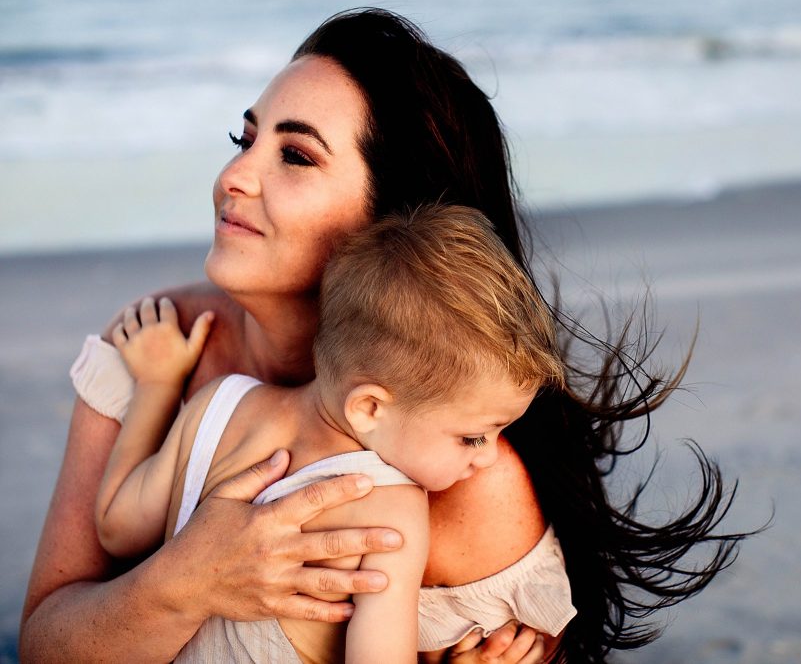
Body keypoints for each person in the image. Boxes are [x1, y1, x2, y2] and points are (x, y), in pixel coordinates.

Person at [21, 9, 745, 664]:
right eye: (245, 138)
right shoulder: (159, 344)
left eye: (295, 155)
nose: (234, 176)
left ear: (393, 221)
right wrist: (184, 582)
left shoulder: (461, 471)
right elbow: (45, 643)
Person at [94, 204, 576, 663]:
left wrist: (157, 385)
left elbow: (116, 528)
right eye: (473, 437)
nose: (488, 457)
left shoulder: (218, 403)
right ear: (369, 408)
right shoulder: (390, 510)